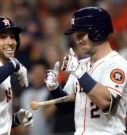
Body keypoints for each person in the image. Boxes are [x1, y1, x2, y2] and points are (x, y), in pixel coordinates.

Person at [45, 7, 127, 135]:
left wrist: (79, 72)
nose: (77, 40)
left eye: (82, 34)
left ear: (98, 30)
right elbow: (66, 108)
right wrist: (55, 89)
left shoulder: (117, 63)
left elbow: (106, 102)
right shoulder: (80, 65)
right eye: (77, 35)